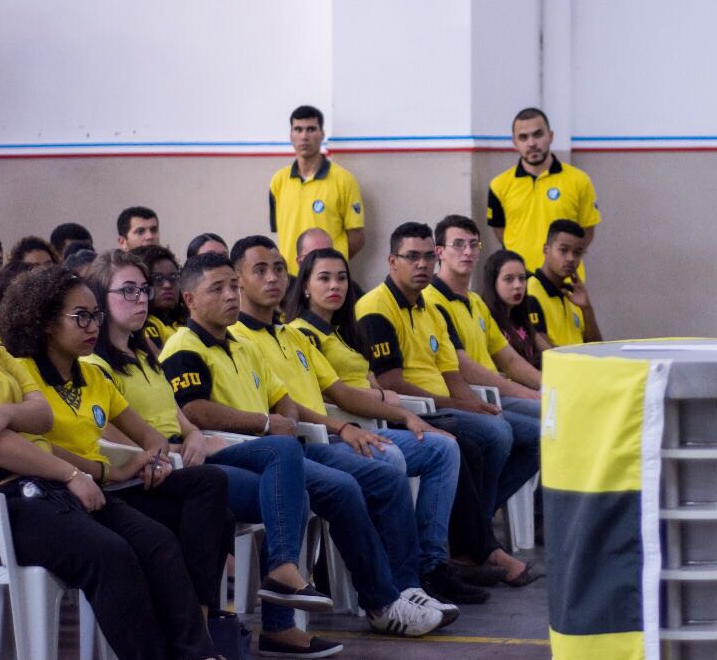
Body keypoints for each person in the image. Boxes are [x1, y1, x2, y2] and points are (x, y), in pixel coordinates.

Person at [0, 255, 219, 660]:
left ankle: (198, 652)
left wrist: (5, 413)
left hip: (34, 492)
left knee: (154, 540)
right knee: (109, 554)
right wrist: (72, 473)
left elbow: (40, 416)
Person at [158, 252, 449, 637]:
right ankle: (379, 602)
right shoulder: (183, 346)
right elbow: (195, 411)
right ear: (190, 300)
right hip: (235, 454)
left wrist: (284, 415)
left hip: (280, 449)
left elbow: (282, 397)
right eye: (218, 289)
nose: (231, 295)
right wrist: (265, 422)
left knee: (381, 476)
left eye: (233, 286)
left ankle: (402, 589)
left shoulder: (242, 346)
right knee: (338, 488)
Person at [81, 250, 343, 658]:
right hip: (155, 473)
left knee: (285, 451)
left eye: (143, 289)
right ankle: (275, 613)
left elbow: (178, 415)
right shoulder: (96, 364)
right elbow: (116, 438)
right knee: (292, 491)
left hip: (190, 453)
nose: (140, 299)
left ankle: (280, 589)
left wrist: (195, 437)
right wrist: (177, 447)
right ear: (100, 298)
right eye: (127, 290)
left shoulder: (145, 354)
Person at [284, 247, 540, 589]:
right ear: (304, 286)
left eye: (342, 278)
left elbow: (373, 380)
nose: (336, 286)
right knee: (467, 442)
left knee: (452, 447)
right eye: (324, 278)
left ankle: (437, 559)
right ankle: (440, 558)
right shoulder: (303, 333)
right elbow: (343, 394)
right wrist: (402, 412)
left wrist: (393, 401)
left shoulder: (344, 331)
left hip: (380, 417)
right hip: (351, 428)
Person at [356, 223, 539, 521]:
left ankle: (478, 524)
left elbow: (452, 375)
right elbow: (392, 383)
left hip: (445, 406)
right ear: (392, 261)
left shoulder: (430, 309)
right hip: (414, 410)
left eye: (429, 257)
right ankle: (475, 532)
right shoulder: (375, 307)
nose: (422, 264)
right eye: (412, 257)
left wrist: (477, 406)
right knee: (497, 432)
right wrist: (464, 407)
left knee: (524, 433)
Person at [426, 215, 542, 395]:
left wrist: (549, 386)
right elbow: (463, 368)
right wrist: (529, 394)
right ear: (439, 252)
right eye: (458, 244)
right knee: (545, 417)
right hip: (474, 395)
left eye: (473, 245)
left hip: (497, 393)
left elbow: (510, 360)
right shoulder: (431, 301)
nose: (467, 251)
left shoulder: (476, 301)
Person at [487, 107, 600, 278]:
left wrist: (564, 261)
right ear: (514, 142)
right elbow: (501, 232)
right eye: (523, 137)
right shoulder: (499, 185)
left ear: (551, 136)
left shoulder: (579, 180)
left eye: (538, 135)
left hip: (565, 283)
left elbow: (587, 231)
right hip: (521, 282)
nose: (531, 143)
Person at [270, 105, 365, 274]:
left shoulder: (344, 180)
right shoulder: (278, 181)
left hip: (328, 280)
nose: (304, 136)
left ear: (322, 134)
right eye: (298, 129)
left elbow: (356, 238)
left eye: (311, 129)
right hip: (290, 279)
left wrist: (330, 267)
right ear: (290, 135)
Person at [526, 220, 602, 347]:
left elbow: (597, 349)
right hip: (559, 367)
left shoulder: (573, 294)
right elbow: (544, 352)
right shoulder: (530, 291)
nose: (571, 258)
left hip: (582, 365)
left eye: (577, 253)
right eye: (563, 250)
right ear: (546, 249)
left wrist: (587, 309)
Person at [482, 249, 550, 370]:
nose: (518, 285)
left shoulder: (521, 317)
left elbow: (551, 354)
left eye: (522, 278)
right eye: (509, 279)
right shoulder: (485, 318)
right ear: (493, 283)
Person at [133, 244, 186, 346]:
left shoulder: (186, 320)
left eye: (173, 277)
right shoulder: (143, 326)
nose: (167, 285)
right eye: (157, 278)